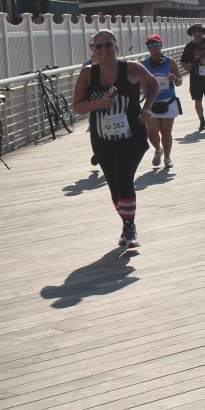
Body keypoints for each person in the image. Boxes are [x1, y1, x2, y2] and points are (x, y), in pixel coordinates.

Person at [73, 29, 159, 249]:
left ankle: (130, 228)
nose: (104, 49)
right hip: (102, 139)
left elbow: (154, 85)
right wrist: (98, 104)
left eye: (108, 44)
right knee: (113, 185)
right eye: (99, 46)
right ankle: (126, 224)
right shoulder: (87, 73)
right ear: (93, 49)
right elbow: (77, 107)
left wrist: (147, 108)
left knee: (123, 178)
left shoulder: (131, 68)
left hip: (132, 136)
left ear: (116, 46)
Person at [141, 33, 181, 168]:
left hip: (168, 101)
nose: (152, 47)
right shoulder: (143, 64)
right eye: (149, 45)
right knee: (152, 132)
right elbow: (139, 83)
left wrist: (175, 78)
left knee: (166, 132)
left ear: (161, 45)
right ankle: (158, 149)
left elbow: (180, 82)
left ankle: (167, 158)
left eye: (155, 44)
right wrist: (143, 85)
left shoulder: (170, 62)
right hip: (151, 103)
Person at [180, 24, 205, 131]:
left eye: (199, 31)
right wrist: (187, 68)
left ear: (202, 32)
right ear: (192, 34)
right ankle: (202, 120)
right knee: (197, 101)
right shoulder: (189, 47)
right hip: (195, 78)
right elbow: (183, 61)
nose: (197, 33)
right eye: (195, 32)